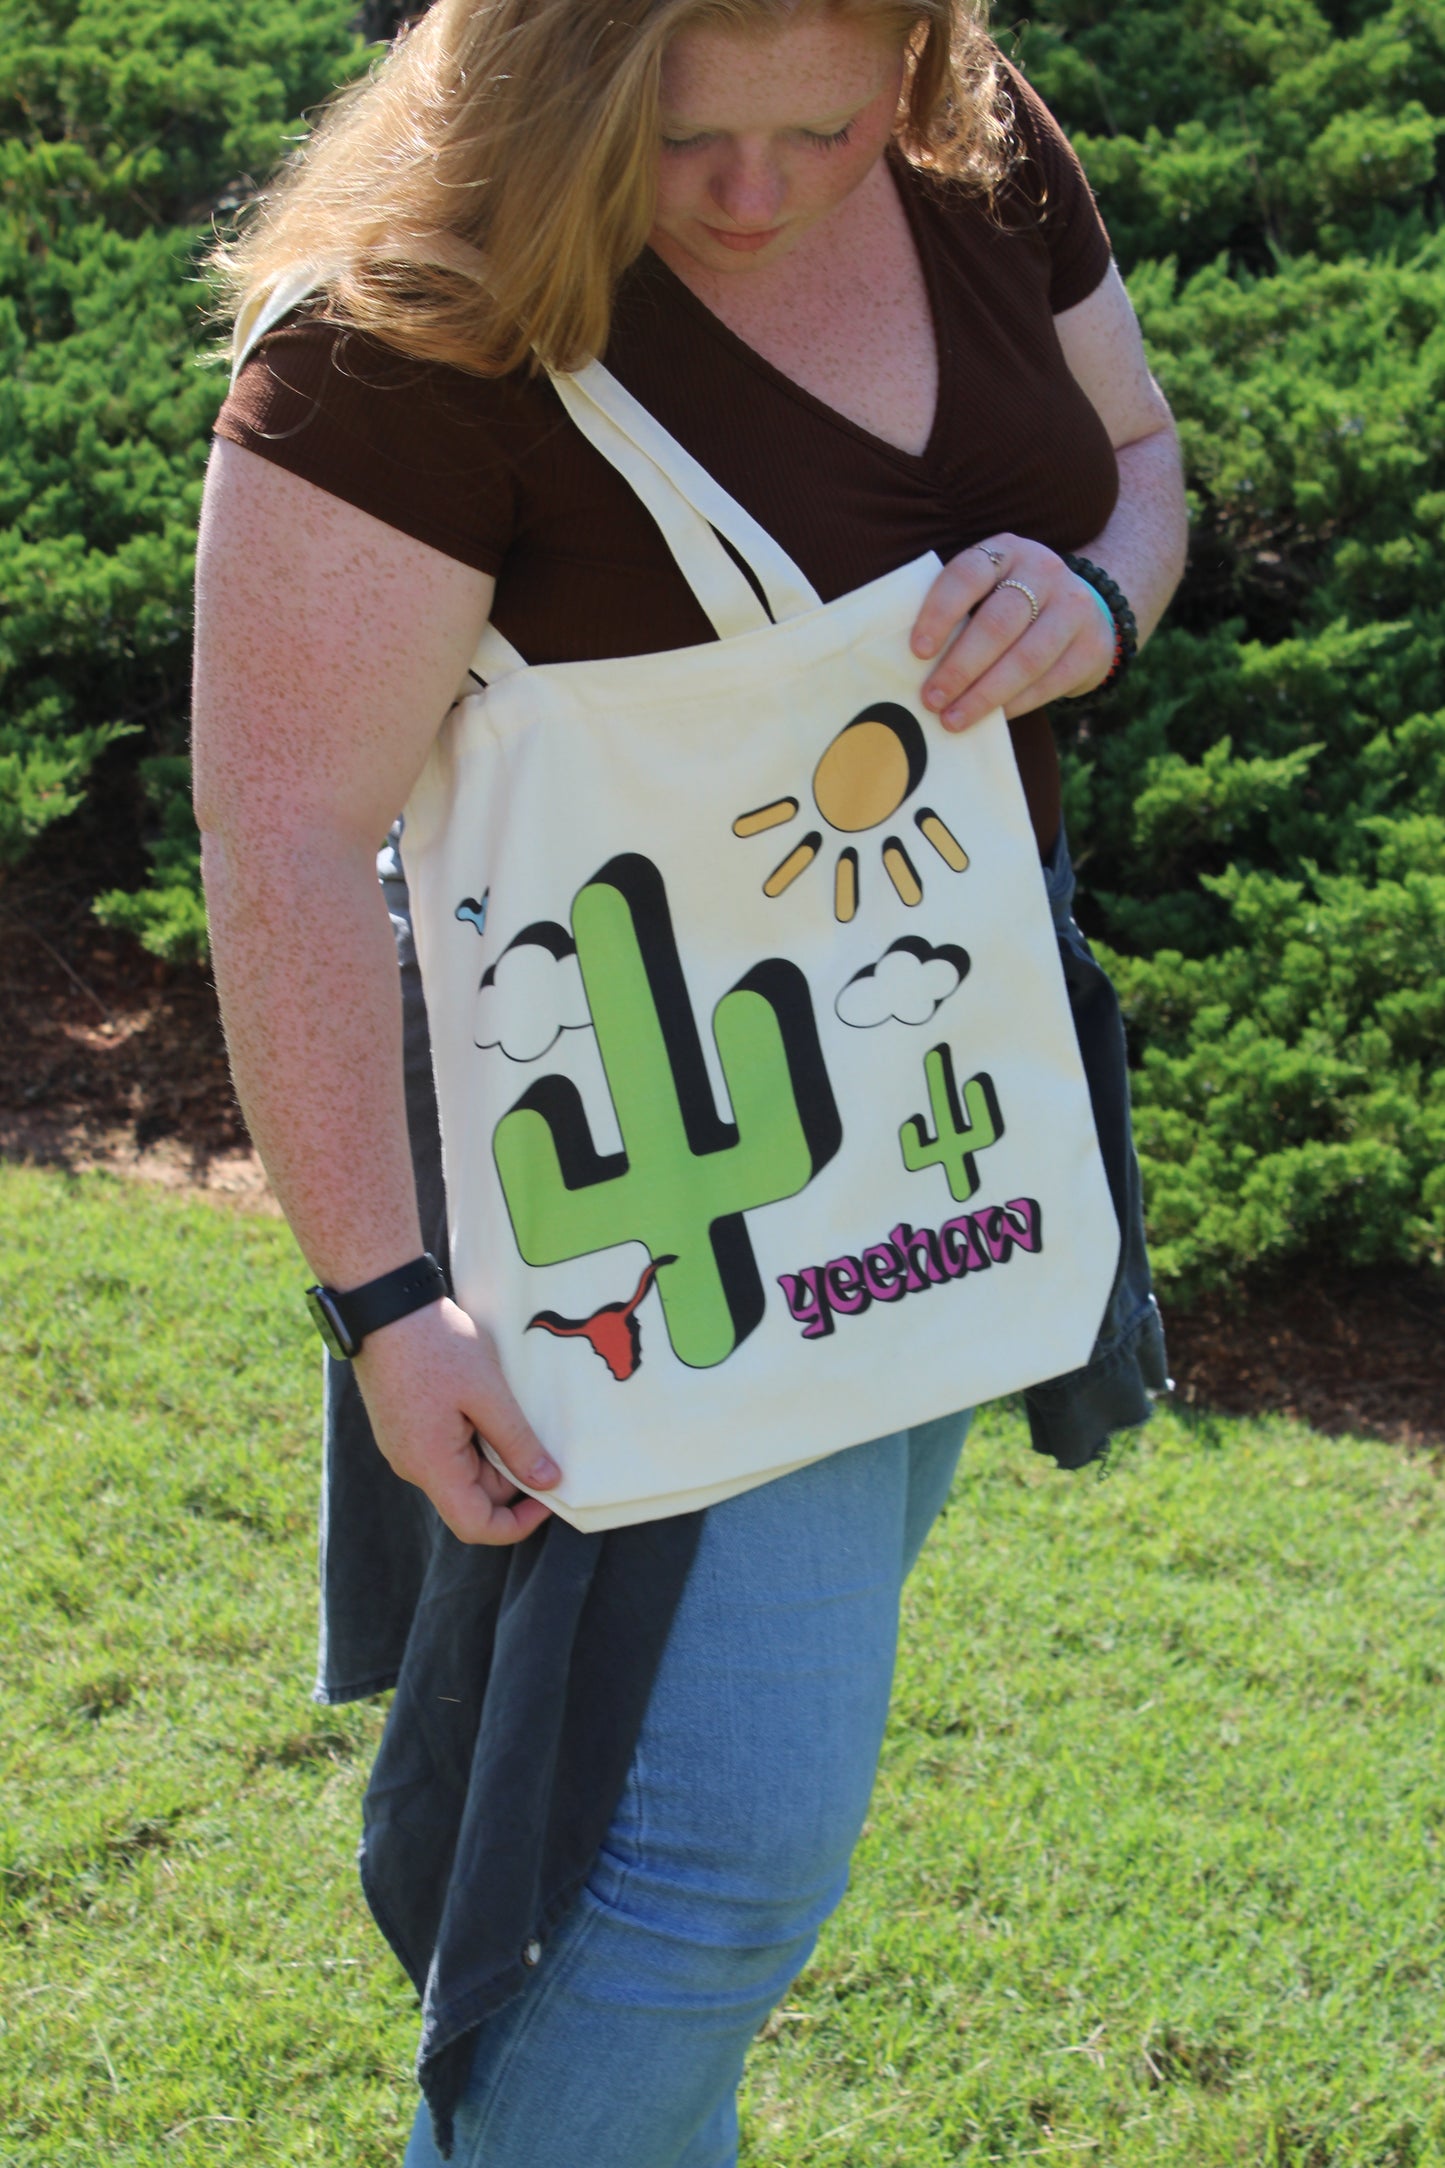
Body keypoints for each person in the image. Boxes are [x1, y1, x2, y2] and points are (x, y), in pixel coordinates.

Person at [193, 0, 1186, 2159]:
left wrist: (1098, 594)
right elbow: (279, 845)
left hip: (945, 1089)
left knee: (685, 1846)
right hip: (656, 1164)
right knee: (689, 1865)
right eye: (678, 137)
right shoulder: (406, 329)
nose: (750, 192)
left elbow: (1137, 459)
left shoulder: (981, 138)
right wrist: (383, 1297)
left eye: (815, 126)